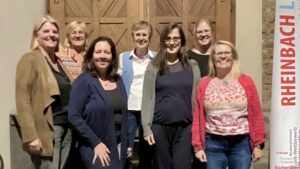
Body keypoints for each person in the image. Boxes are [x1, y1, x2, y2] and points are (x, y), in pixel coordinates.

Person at [192, 40, 266, 169]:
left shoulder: (246, 81)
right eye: (219, 53)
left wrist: (258, 144)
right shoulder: (204, 83)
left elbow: (256, 113)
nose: (223, 56)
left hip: (241, 143)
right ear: (213, 58)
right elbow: (198, 116)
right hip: (213, 143)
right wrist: (197, 146)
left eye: (227, 53)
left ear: (233, 57)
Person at [15, 15, 73, 169]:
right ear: (37, 35)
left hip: (66, 128)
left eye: (54, 31)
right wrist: (31, 136)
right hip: (47, 130)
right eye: (46, 31)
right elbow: (22, 100)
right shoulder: (30, 59)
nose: (51, 35)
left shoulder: (59, 62)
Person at [141, 23, 200, 169]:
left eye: (176, 38)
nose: (172, 42)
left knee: (182, 165)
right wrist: (146, 128)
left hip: (185, 128)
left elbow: (198, 98)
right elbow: (147, 98)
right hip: (159, 127)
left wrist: (198, 128)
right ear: (163, 41)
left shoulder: (192, 66)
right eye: (168, 38)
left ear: (182, 41)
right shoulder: (153, 66)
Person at [68, 36, 128, 169]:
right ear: (91, 55)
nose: (102, 56)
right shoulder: (83, 81)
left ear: (112, 56)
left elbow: (123, 114)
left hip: (118, 146)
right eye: (98, 52)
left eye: (107, 52)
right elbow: (73, 115)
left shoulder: (118, 80)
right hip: (95, 147)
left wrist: (127, 144)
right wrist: (96, 143)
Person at [118, 20, 156, 169]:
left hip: (148, 110)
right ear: (133, 37)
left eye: (144, 34)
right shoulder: (123, 57)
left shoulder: (156, 58)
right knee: (127, 146)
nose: (141, 38)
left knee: (147, 146)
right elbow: (118, 82)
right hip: (129, 108)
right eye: (138, 34)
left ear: (149, 37)